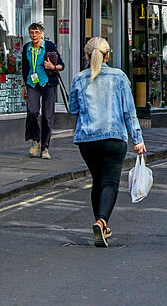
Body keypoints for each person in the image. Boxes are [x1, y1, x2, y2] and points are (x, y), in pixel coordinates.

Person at [69, 37, 145, 247]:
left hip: (88, 139)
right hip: (113, 138)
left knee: (98, 181)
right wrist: (138, 139)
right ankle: (101, 222)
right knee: (110, 182)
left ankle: (101, 226)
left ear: (86, 56)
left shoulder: (78, 79)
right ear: (108, 55)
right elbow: (129, 112)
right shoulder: (118, 77)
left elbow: (73, 109)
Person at [21, 22, 64, 159]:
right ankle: (36, 140)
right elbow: (24, 68)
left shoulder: (49, 46)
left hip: (48, 83)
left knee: (47, 116)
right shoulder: (26, 48)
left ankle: (45, 147)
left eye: (37, 32)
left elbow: (61, 65)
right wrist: (23, 87)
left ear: (41, 34)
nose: (34, 35)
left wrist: (53, 66)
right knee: (32, 111)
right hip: (32, 83)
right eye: (32, 32)